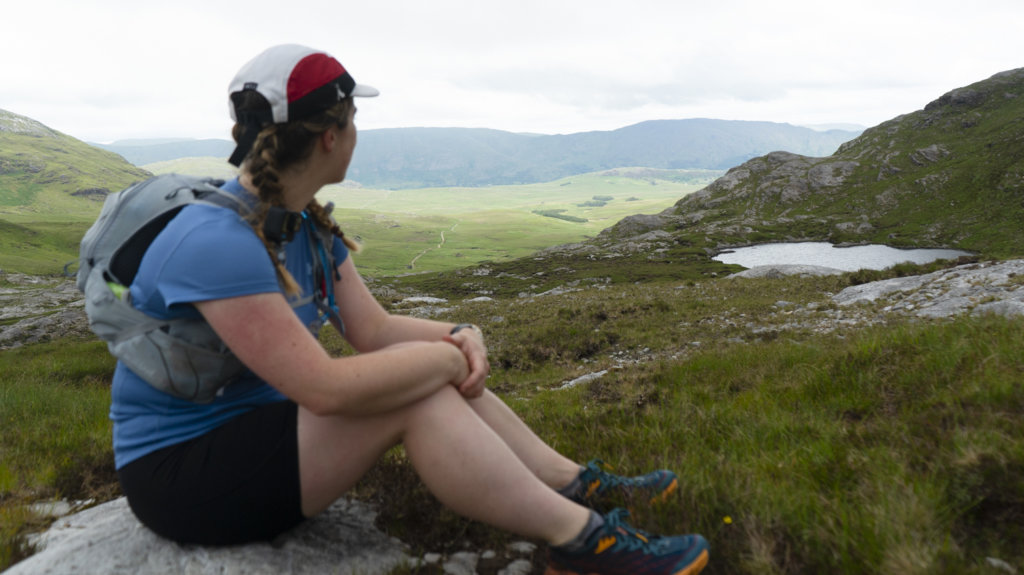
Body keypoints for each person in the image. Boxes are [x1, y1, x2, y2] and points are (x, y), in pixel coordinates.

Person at [110, 43, 709, 575]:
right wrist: (445, 363)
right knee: (420, 394)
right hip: (183, 478)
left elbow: (372, 329)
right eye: (354, 120)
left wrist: (456, 332)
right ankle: (582, 544)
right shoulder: (214, 242)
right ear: (330, 136)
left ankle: (572, 486)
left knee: (424, 373)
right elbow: (323, 389)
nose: (355, 134)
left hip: (254, 438)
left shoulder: (303, 225)